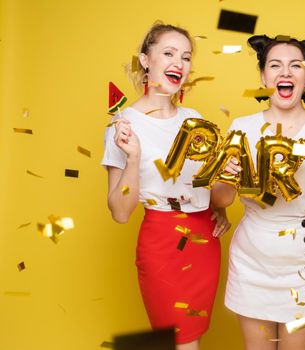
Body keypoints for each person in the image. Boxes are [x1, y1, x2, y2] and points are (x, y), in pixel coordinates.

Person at [211, 34, 305, 350]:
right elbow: (221, 200)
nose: (285, 73)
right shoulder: (242, 128)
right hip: (252, 263)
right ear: (263, 77)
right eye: (275, 65)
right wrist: (227, 177)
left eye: (295, 66)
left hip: (304, 263)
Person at [101, 23, 230, 350]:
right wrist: (133, 159)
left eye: (186, 57)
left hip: (204, 241)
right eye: (169, 53)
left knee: (192, 339)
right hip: (162, 242)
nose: (179, 63)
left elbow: (215, 193)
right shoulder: (123, 124)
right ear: (145, 60)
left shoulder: (195, 119)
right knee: (180, 341)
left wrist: (221, 200)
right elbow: (119, 212)